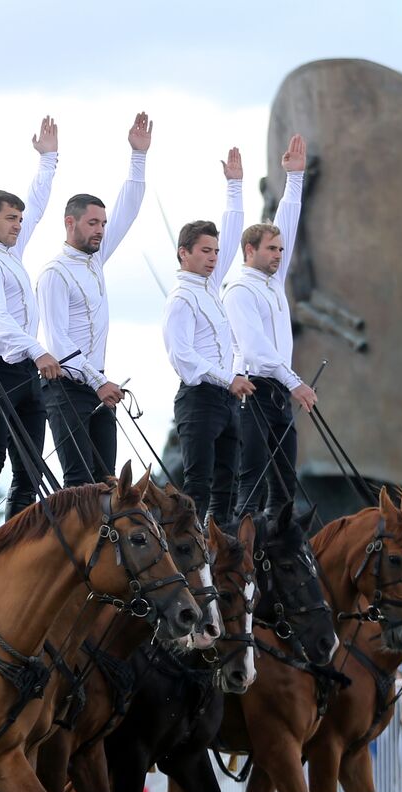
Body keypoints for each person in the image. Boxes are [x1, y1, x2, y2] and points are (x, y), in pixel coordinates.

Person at [36, 112, 153, 485]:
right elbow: (58, 343)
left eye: (102, 224)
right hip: (68, 388)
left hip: (98, 385)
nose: (101, 230)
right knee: (79, 485)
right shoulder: (55, 272)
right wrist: (96, 380)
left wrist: (138, 157)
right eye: (93, 223)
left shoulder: (96, 260)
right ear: (70, 223)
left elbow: (129, 212)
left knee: (109, 485)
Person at [0, 118, 60, 529]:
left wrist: (48, 159)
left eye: (18, 220)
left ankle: (17, 535)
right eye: (10, 219)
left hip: (22, 370)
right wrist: (38, 350)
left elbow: (36, 206)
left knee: (30, 463)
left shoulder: (10, 256)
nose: (18, 225)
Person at [225, 133, 319, 516]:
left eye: (280, 250)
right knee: (252, 478)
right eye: (271, 249)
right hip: (254, 391)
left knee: (284, 484)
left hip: (278, 391)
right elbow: (254, 349)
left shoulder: (273, 281)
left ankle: (278, 559)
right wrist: (296, 382)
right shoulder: (239, 289)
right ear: (250, 251)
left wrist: (294, 178)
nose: (279, 255)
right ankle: (243, 557)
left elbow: (288, 224)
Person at [162, 148, 252, 524]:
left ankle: (221, 549)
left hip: (225, 400)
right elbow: (182, 356)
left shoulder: (210, 288)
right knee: (196, 484)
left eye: (215, 251)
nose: (214, 257)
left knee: (227, 484)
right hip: (199, 399)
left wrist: (235, 186)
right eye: (205, 251)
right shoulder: (181, 297)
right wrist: (227, 377)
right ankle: (191, 552)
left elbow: (232, 234)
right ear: (184, 253)